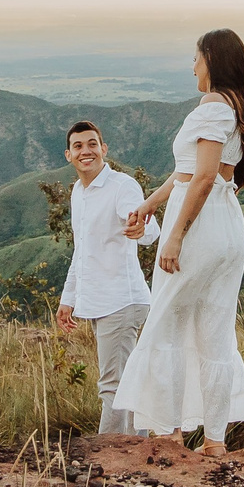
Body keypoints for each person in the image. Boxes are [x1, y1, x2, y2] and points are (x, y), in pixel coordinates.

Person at [116, 28, 244, 456]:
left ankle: (169, 432)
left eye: (195, 58)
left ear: (211, 59)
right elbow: (188, 172)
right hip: (226, 226)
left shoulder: (212, 105)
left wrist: (175, 234)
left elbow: (203, 177)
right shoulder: (233, 106)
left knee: (167, 325)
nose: (192, 66)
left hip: (199, 228)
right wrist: (150, 204)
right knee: (216, 331)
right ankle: (214, 441)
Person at [54, 119, 161, 433]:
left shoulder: (121, 186)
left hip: (121, 301)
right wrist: (68, 299)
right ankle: (138, 450)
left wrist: (140, 227)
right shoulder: (78, 192)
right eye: (78, 146)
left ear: (104, 149)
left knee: (113, 386)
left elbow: (146, 226)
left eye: (92, 144)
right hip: (100, 302)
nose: (85, 151)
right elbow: (82, 252)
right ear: (69, 155)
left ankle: (108, 454)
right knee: (125, 384)